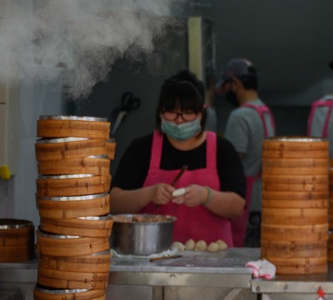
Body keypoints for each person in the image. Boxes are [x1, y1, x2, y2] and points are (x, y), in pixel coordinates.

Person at [110, 70, 246, 246]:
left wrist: (206, 196)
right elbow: (114, 202)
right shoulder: (141, 149)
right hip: (153, 257)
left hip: (212, 261)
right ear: (160, 113)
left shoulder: (223, 149)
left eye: (187, 113)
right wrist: (148, 194)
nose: (179, 121)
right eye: (172, 113)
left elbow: (237, 206)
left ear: (201, 113)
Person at [216, 58, 276, 247]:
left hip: (245, 199)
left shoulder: (240, 116)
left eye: (227, 86)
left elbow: (232, 161)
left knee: (242, 255)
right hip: (264, 197)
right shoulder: (265, 112)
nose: (226, 92)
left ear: (236, 83)